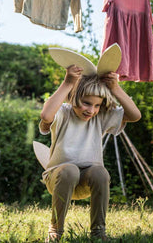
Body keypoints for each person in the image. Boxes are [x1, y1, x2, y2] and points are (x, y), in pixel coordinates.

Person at [39, 64, 141, 242]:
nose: (91, 110)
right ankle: (55, 230)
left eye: (96, 105)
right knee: (70, 170)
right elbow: (46, 116)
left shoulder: (100, 117)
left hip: (87, 180)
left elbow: (135, 115)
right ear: (75, 97)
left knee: (100, 172)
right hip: (58, 179)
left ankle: (98, 232)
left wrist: (115, 88)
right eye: (86, 103)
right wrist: (68, 83)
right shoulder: (63, 113)